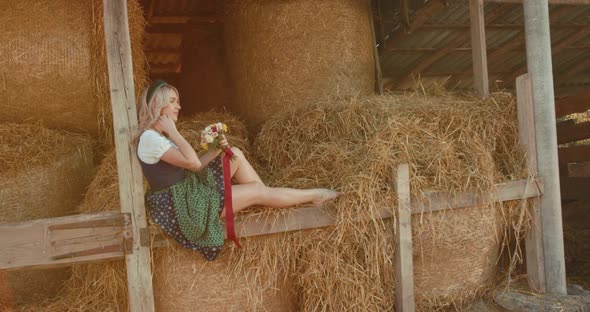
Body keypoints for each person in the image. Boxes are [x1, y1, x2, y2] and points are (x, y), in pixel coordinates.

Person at [136, 80, 341, 261]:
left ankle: (265, 195)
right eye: (173, 101)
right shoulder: (150, 139)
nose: (178, 106)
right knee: (258, 191)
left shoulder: (157, 137)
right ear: (157, 104)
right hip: (184, 208)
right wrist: (174, 131)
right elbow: (194, 165)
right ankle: (314, 195)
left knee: (232, 153)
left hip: (188, 192)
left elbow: (193, 163)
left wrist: (216, 151)